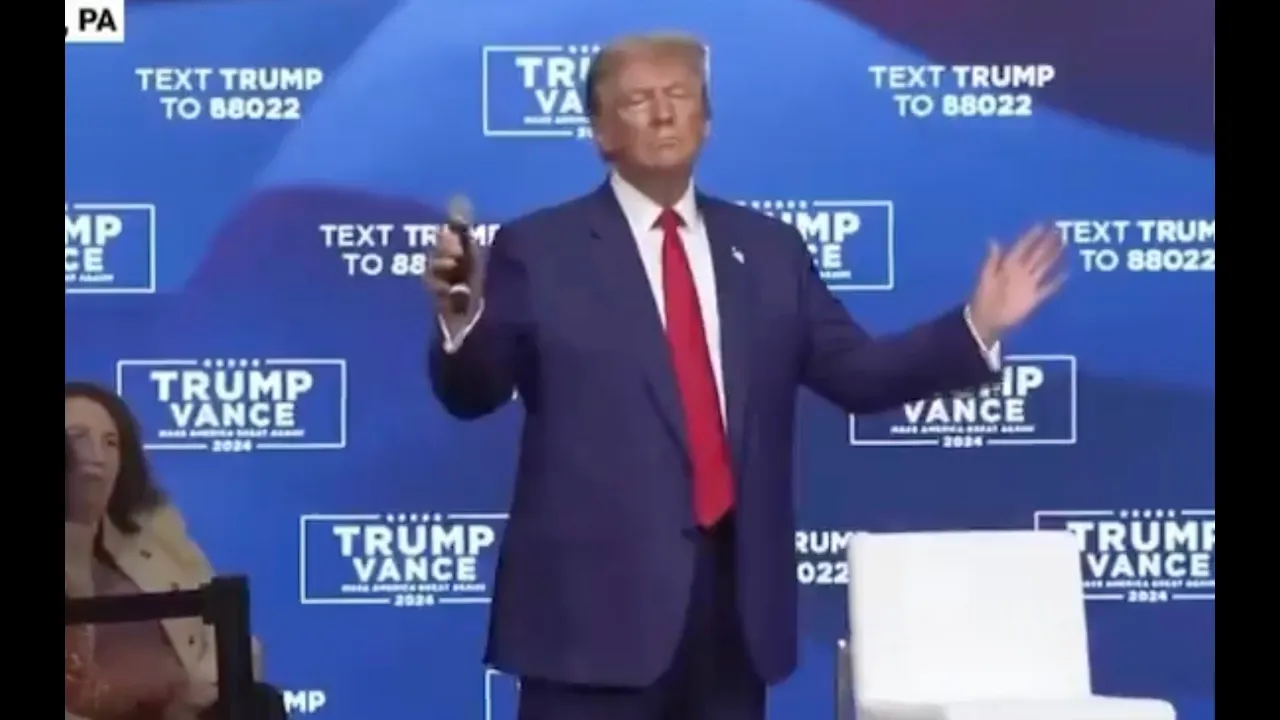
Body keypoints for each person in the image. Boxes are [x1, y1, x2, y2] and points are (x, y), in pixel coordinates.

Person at [425, 33, 1064, 720]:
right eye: (639, 101)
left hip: (732, 627)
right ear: (600, 133)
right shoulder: (539, 249)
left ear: (707, 119)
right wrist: (462, 323)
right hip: (590, 628)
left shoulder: (767, 251)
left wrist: (976, 326)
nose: (664, 113)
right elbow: (475, 392)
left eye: (681, 95)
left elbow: (859, 373)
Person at [64, 382, 284, 720]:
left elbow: (232, 640)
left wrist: (192, 701)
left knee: (259, 702)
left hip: (186, 711)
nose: (97, 455)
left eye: (111, 442)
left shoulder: (155, 529)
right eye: (77, 438)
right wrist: (78, 527)